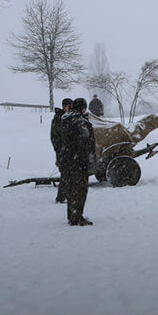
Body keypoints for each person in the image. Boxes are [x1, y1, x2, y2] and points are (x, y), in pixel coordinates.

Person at [58, 97, 96, 226]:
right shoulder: (79, 122)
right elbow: (84, 142)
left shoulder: (65, 119)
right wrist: (86, 159)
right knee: (79, 190)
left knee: (71, 189)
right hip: (78, 162)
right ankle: (76, 217)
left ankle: (72, 215)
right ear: (82, 108)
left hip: (67, 160)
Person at [51, 98, 72, 204]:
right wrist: (61, 150)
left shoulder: (67, 117)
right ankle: (61, 196)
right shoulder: (59, 119)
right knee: (65, 174)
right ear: (65, 106)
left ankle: (65, 195)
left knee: (68, 174)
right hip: (63, 152)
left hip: (67, 152)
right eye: (70, 106)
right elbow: (55, 138)